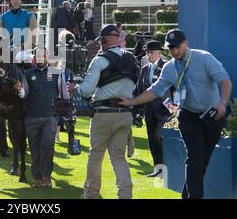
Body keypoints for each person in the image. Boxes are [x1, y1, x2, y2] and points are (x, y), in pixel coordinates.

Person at [119, 29, 232, 199]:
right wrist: (132, 102)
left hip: (212, 114)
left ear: (185, 43)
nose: (174, 51)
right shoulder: (170, 67)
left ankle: (186, 195)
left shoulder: (204, 58)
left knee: (203, 161)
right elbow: (155, 90)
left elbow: (225, 80)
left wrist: (222, 103)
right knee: (195, 157)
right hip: (187, 115)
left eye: (177, 47)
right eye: (170, 48)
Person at [68, 24, 140, 199]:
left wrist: (75, 88)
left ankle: (91, 194)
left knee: (96, 155)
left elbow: (86, 90)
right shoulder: (131, 58)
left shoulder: (100, 59)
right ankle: (125, 194)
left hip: (104, 113)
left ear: (105, 40)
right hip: (125, 114)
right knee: (118, 157)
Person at [24, 48, 68, 188]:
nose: (41, 58)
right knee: (34, 148)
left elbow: (64, 95)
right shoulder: (27, 73)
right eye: (38, 56)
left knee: (48, 145)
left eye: (43, 55)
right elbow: (23, 95)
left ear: (47, 56)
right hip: (31, 117)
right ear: (35, 58)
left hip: (50, 116)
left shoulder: (57, 73)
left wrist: (65, 117)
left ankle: (46, 176)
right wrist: (19, 89)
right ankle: (37, 177)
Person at [135, 40, 172, 177]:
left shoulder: (167, 66)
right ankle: (159, 171)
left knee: (159, 137)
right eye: (147, 52)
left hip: (165, 110)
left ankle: (168, 168)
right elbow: (140, 90)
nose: (149, 55)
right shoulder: (144, 69)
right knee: (152, 140)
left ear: (159, 52)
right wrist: (137, 112)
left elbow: (174, 88)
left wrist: (174, 107)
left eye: (151, 52)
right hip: (149, 110)